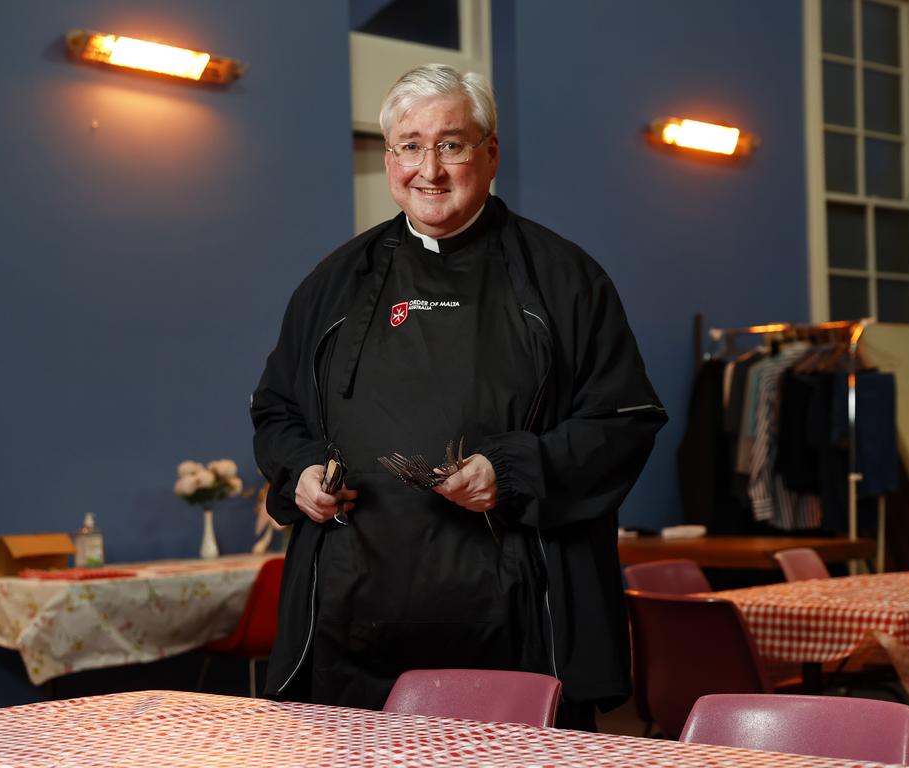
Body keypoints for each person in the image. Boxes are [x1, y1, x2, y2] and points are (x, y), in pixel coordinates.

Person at [251, 63, 666, 730]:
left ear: (491, 152)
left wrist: (513, 470)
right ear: (388, 158)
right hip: (352, 627)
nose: (430, 169)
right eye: (410, 145)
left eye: (451, 144)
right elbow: (276, 411)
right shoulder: (332, 284)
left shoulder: (563, 280)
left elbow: (624, 421)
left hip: (519, 626)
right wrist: (299, 472)